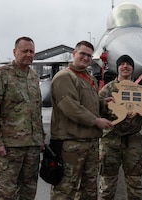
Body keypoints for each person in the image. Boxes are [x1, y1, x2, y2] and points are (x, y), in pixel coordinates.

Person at [0, 36, 45, 199]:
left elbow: (36, 110)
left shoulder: (33, 77)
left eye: (32, 51)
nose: (29, 54)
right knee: (7, 194)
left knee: (28, 192)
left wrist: (40, 138)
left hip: (31, 147)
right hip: (8, 148)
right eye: (25, 51)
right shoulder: (0, 75)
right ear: (15, 52)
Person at [49, 40, 113, 200]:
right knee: (65, 191)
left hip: (90, 144)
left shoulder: (88, 78)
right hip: (71, 144)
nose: (85, 58)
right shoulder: (64, 77)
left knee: (89, 189)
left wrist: (103, 103)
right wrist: (96, 121)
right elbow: (70, 107)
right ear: (74, 54)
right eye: (82, 54)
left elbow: (90, 103)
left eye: (89, 56)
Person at [98, 55, 142, 200]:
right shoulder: (108, 89)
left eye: (128, 64)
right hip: (110, 141)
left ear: (132, 69)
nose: (125, 67)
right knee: (107, 185)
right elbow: (96, 113)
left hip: (133, 141)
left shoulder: (140, 90)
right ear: (117, 68)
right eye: (122, 64)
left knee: (135, 183)